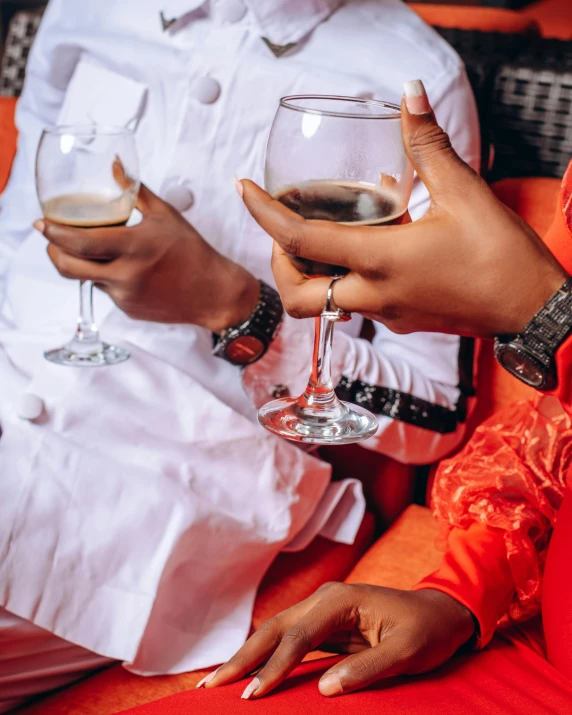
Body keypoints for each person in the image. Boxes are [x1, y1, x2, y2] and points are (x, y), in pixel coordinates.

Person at [0, 1, 480, 711]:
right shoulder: (81, 11)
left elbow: (437, 411)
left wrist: (235, 306)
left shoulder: (416, 78)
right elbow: (17, 246)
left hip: (167, 477)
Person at [197, 80, 572, 703]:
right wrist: (458, 595)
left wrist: (547, 322)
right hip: (541, 660)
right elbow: (557, 426)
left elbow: (540, 328)